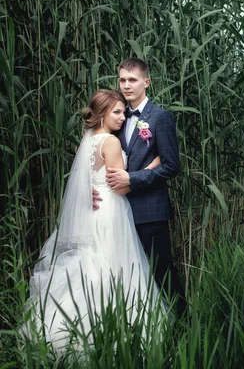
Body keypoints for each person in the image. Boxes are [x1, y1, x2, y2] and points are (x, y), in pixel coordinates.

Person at [24, 90, 163, 352]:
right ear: (101, 115)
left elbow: (84, 181)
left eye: (123, 111)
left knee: (93, 264)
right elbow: (121, 186)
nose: (123, 117)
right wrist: (151, 167)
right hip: (110, 210)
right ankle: (113, 328)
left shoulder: (87, 141)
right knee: (114, 267)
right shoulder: (110, 142)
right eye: (117, 112)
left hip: (92, 212)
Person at [97, 58, 185, 316]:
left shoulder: (160, 118)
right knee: (129, 273)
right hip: (118, 210)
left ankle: (182, 324)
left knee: (162, 271)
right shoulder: (117, 115)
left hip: (150, 212)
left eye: (132, 80)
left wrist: (132, 179)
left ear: (146, 82)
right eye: (122, 80)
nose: (126, 85)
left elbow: (171, 166)